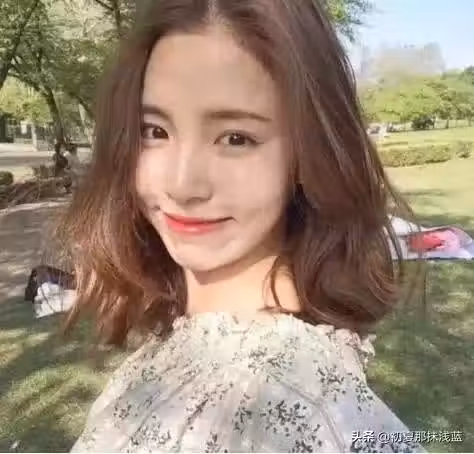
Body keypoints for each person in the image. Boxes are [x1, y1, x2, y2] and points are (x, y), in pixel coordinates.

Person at [56, 0, 425, 452]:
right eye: (155, 131)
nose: (182, 184)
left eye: (236, 138)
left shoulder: (302, 402)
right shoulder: (182, 340)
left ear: (307, 155)